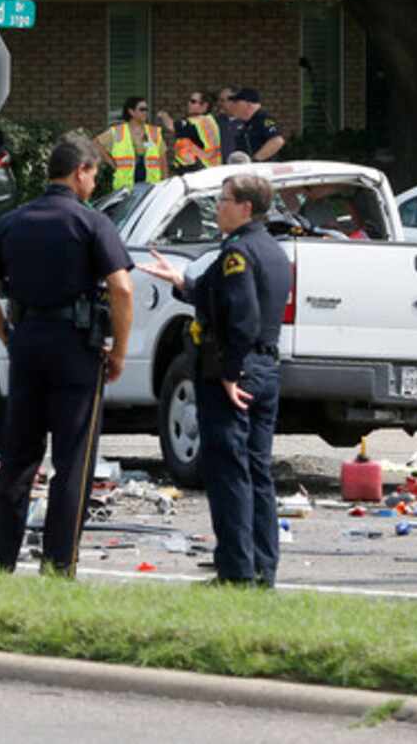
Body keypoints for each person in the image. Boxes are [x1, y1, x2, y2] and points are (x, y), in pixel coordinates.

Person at [0, 133, 137, 576]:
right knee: (73, 462)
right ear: (79, 171)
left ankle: (0, 563)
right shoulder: (91, 223)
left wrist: (7, 332)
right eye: (93, 175)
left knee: (18, 458)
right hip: (76, 349)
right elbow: (122, 288)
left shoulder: (14, 221)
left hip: (26, 344)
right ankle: (58, 566)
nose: (94, 184)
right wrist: (120, 351)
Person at [139, 173, 290, 586]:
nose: (217, 207)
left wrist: (228, 373)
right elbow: (213, 294)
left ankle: (236, 571)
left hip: (235, 372)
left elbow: (243, 318)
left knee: (228, 473)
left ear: (245, 207)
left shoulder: (238, 252)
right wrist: (179, 281)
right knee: (257, 472)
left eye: (223, 200)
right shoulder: (272, 250)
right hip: (265, 370)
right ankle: (262, 568)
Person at [95, 97, 169, 191]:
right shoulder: (118, 131)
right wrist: (110, 163)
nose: (145, 112)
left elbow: (163, 161)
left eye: (146, 109)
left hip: (150, 187)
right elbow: (96, 144)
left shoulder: (154, 132)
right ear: (131, 112)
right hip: (124, 189)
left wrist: (165, 185)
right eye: (142, 109)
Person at [159, 91, 224, 176]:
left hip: (198, 170)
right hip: (210, 169)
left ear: (204, 106)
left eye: (193, 101)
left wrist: (163, 115)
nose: (188, 104)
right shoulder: (210, 120)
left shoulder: (195, 122)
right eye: (189, 101)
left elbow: (171, 126)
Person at [221, 88, 285, 163]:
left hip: (262, 170)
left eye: (236, 102)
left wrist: (255, 160)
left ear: (248, 104)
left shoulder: (262, 119)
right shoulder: (246, 123)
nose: (233, 105)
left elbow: (277, 141)